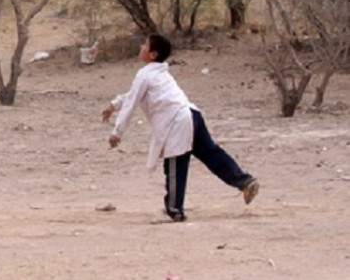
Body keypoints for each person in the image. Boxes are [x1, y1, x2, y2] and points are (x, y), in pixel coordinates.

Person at [103, 34, 260, 222]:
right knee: (211, 153)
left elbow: (131, 103)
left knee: (176, 164)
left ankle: (175, 209)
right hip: (192, 114)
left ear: (153, 54)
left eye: (145, 45)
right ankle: (244, 181)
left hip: (177, 121)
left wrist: (116, 132)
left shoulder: (145, 74)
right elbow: (132, 96)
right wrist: (113, 105)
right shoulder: (158, 73)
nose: (141, 47)